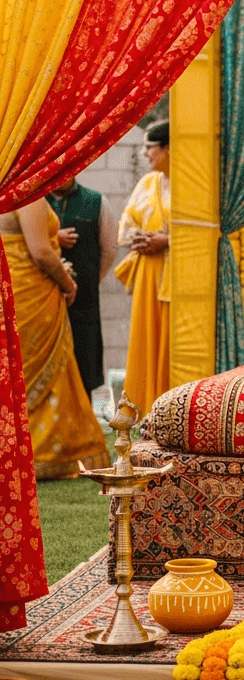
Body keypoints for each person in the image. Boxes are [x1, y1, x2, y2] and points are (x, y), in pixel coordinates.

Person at [0, 198, 110, 479]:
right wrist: (68, 282)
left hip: (14, 290)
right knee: (34, 372)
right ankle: (42, 455)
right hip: (30, 294)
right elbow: (41, 253)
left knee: (16, 375)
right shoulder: (28, 195)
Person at [116, 120, 170, 417]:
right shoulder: (148, 183)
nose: (145, 153)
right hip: (150, 273)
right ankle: (146, 412)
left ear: (168, 148)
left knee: (174, 344)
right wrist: (139, 237)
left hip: (180, 273)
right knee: (146, 343)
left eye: (150, 147)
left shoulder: (191, 181)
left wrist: (169, 241)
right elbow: (126, 224)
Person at [46, 177, 118, 395]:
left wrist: (89, 279)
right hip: (42, 296)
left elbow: (109, 249)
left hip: (83, 297)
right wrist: (51, 237)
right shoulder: (34, 200)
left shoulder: (96, 201)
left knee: (83, 359)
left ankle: (84, 420)